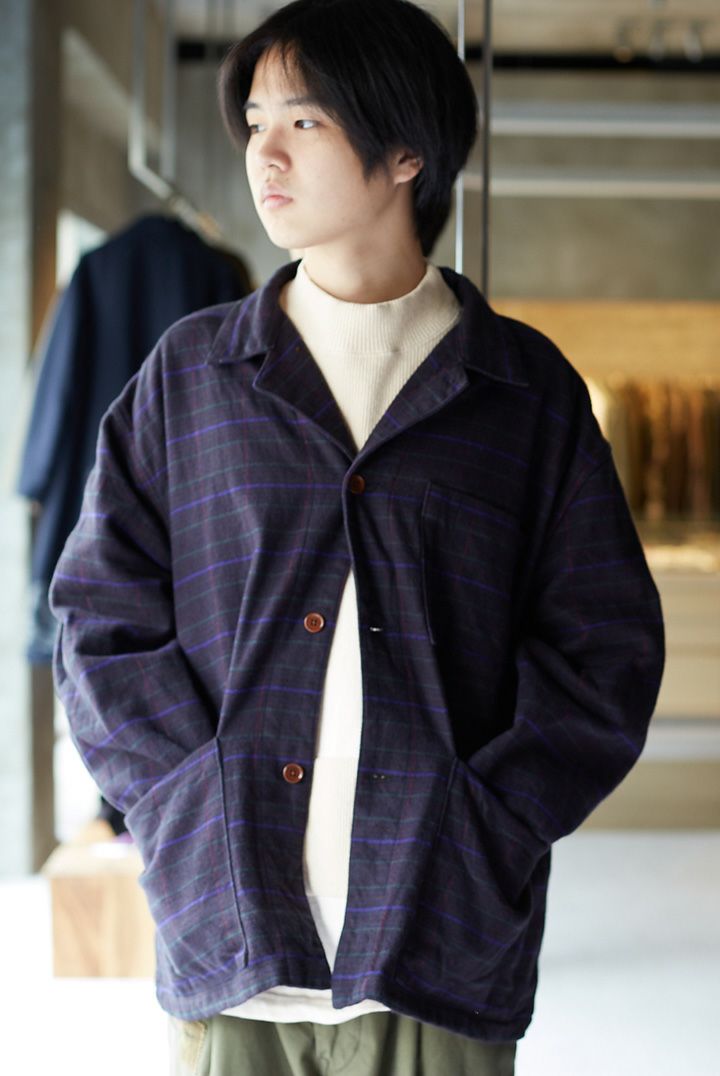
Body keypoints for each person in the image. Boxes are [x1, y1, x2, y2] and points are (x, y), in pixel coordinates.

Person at [50, 1, 665, 1073]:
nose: (265, 153)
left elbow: (603, 649)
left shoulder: (523, 393)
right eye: (254, 123)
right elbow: (100, 620)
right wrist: (181, 801)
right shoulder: (191, 377)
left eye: (304, 121)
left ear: (406, 151)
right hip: (229, 939)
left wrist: (488, 822)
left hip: (440, 949)